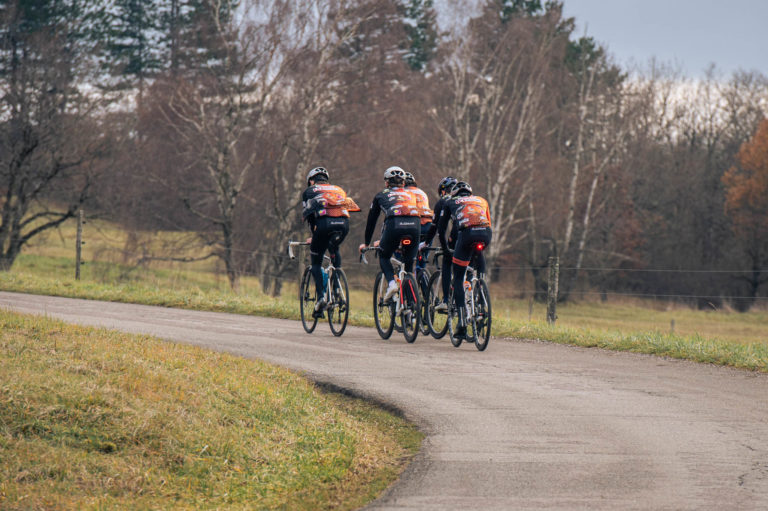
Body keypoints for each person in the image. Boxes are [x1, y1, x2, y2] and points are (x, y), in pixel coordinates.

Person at [436, 181, 492, 339]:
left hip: (467, 233)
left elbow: (441, 229)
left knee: (459, 277)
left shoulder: (449, 201)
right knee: (478, 254)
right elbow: (488, 221)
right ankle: (480, 291)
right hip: (486, 233)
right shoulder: (481, 200)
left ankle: (461, 321)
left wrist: (446, 249)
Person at [302, 167, 359, 317]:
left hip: (324, 224)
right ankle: (337, 289)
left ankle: (321, 298)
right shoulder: (338, 189)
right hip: (343, 225)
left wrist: (314, 236)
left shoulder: (310, 191)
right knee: (334, 249)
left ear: (311, 180)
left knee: (316, 260)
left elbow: (309, 216)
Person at [359, 166, 421, 302]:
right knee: (408, 268)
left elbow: (371, 221)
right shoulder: (412, 195)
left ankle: (392, 284)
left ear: (386, 183)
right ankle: (411, 311)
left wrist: (367, 242)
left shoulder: (381, 195)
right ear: (403, 183)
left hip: (395, 225)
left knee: (384, 255)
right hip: (415, 226)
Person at [420, 176, 458, 311]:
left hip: (458, 233)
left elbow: (436, 227)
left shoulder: (443, 201)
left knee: (447, 262)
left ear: (443, 191)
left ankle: (446, 300)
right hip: (480, 232)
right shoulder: (466, 199)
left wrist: (426, 243)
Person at [404, 171, 433, 271]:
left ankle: (405, 272)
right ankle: (421, 274)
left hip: (412, 225)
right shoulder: (422, 193)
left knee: (399, 249)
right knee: (422, 259)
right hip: (429, 225)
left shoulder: (402, 193)